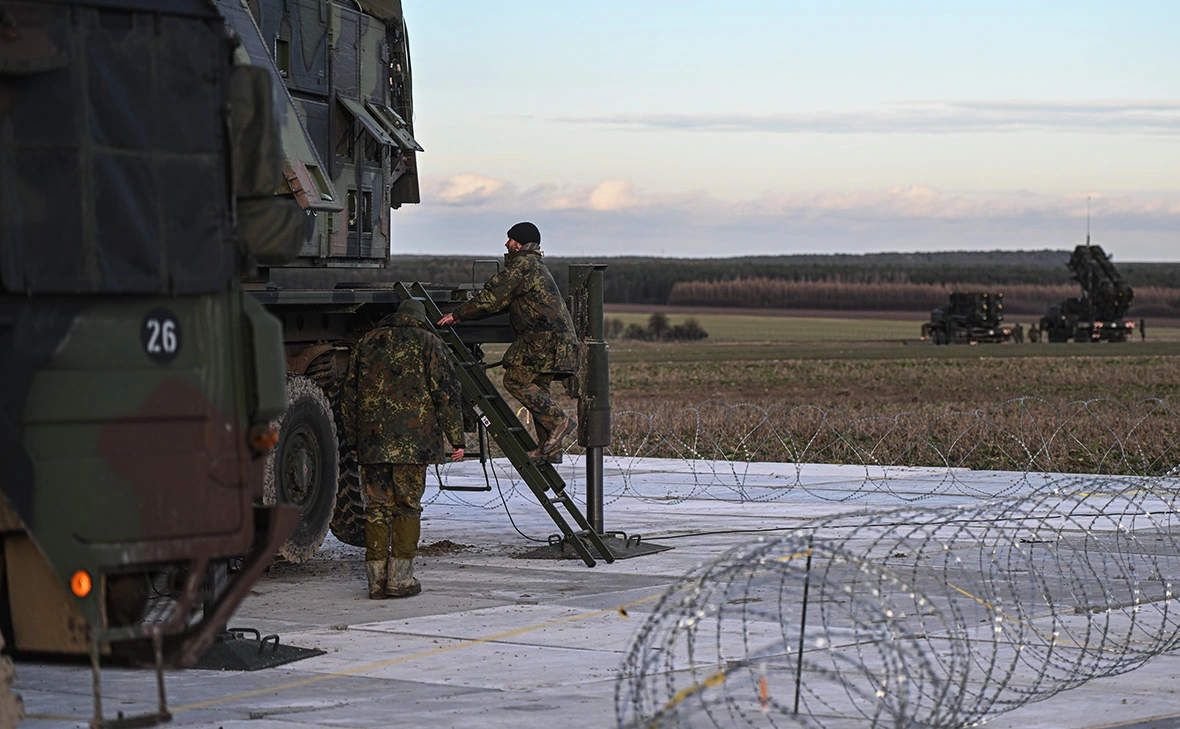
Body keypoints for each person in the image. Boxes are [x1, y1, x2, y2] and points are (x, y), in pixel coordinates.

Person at [342, 299, 464, 599]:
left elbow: (349, 396)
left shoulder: (366, 343)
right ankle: (400, 579)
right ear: (420, 319)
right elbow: (446, 393)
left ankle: (375, 581)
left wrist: (354, 441)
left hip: (372, 445)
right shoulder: (429, 343)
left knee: (376, 509)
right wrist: (457, 439)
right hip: (414, 445)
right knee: (407, 507)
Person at [437, 221, 579, 462]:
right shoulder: (535, 265)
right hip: (556, 341)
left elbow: (493, 298)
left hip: (543, 339)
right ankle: (549, 448)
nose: (506, 243)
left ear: (519, 244)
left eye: (510, 239)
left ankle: (558, 421)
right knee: (538, 388)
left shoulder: (522, 266)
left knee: (515, 380)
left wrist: (457, 314)